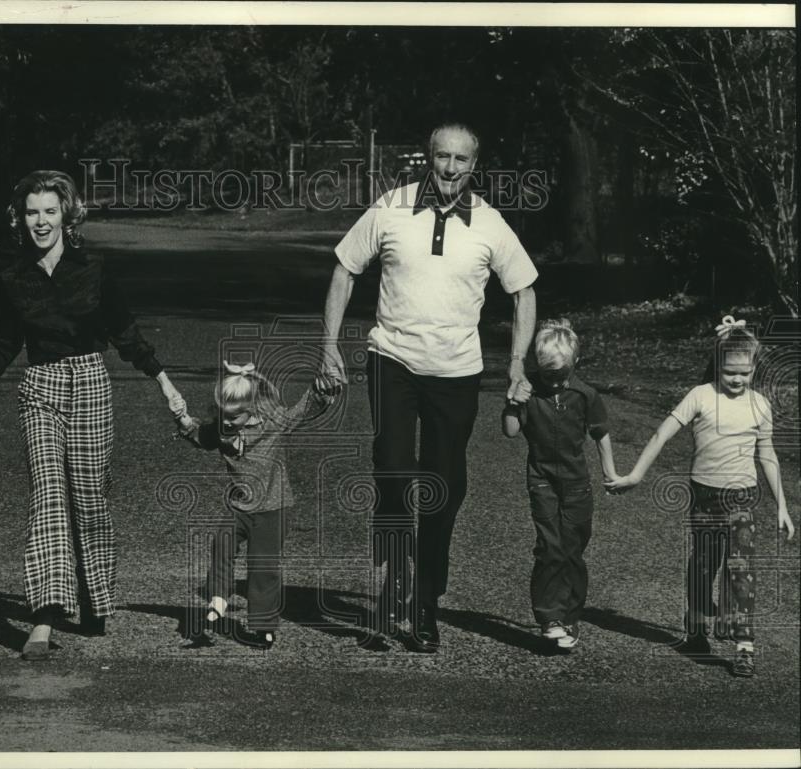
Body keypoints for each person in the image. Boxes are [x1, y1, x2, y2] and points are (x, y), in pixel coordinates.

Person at [0, 170, 186, 661]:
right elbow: (3, 347)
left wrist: (165, 382)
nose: (40, 221)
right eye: (31, 212)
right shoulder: (12, 276)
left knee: (88, 495)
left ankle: (94, 594)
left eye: (49, 211)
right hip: (39, 388)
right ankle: (44, 617)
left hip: (90, 384)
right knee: (47, 494)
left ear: (67, 213)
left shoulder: (94, 269)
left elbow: (126, 333)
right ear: (19, 220)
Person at [319, 122, 538, 652]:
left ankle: (424, 602)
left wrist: (516, 365)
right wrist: (328, 346)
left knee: (446, 489)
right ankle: (392, 580)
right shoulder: (390, 207)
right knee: (393, 469)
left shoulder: (490, 223)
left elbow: (525, 290)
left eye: (461, 160)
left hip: (457, 373)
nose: (450, 168)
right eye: (442, 157)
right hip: (391, 359)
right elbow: (345, 269)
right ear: (428, 158)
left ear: (473, 164)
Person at [607, 316, 796, 677]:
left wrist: (782, 506)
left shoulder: (760, 404)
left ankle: (744, 645)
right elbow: (662, 435)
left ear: (755, 368)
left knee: (741, 569)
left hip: (742, 497)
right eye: (729, 372)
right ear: (717, 365)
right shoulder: (700, 396)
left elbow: (767, 455)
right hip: (704, 495)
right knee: (704, 564)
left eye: (744, 372)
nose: (737, 379)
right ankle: (696, 627)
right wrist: (635, 475)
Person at [171, 361, 330, 648]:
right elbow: (201, 436)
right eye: (222, 415)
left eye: (234, 416)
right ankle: (218, 599)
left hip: (273, 509)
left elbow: (302, 409)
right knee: (222, 542)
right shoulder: (222, 430)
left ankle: (264, 626)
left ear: (253, 408)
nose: (227, 421)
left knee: (263, 566)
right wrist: (184, 422)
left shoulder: (274, 425)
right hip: (239, 506)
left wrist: (321, 388)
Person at [502, 319, 618, 650]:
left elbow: (601, 434)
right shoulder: (530, 391)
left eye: (560, 373)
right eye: (547, 373)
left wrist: (610, 473)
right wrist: (514, 401)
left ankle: (570, 615)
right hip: (542, 482)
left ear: (575, 362)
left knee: (573, 550)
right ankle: (549, 617)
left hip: (577, 483)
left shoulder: (585, 395)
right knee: (550, 546)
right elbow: (510, 431)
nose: (554, 381)